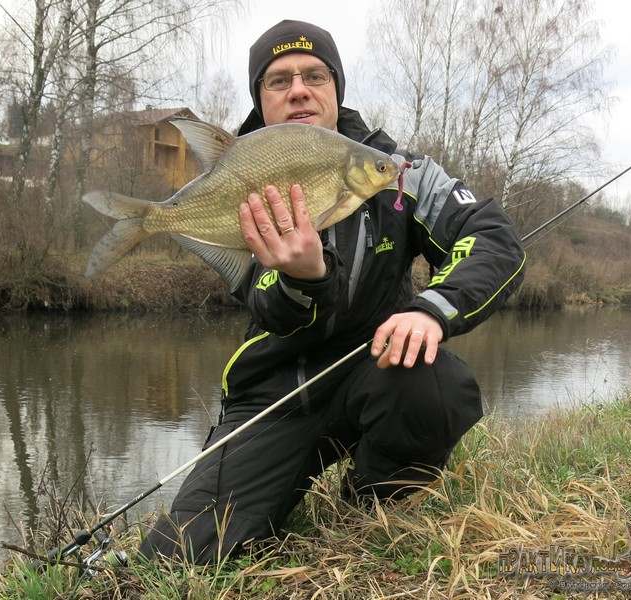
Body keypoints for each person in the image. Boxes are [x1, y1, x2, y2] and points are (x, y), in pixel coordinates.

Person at [140, 19, 525, 563]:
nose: (299, 89)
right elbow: (268, 306)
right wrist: (304, 276)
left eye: (315, 75)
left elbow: (494, 240)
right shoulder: (240, 180)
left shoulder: (396, 172)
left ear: (336, 89)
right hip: (274, 389)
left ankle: (371, 504)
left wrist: (430, 311)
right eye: (279, 80)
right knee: (181, 555)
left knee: (433, 382)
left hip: (379, 367)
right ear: (260, 99)